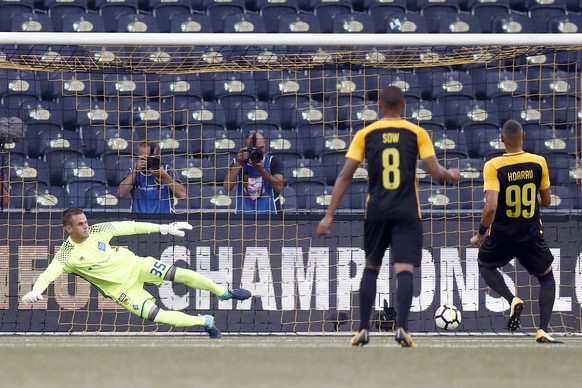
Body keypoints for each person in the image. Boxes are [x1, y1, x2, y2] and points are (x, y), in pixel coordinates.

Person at [317, 86, 460, 347]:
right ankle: (403, 329)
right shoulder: (417, 133)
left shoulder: (365, 134)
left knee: (371, 266)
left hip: (377, 210)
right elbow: (435, 172)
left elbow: (345, 175)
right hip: (407, 210)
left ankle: (362, 330)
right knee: (403, 270)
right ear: (403, 105)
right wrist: (451, 174)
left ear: (379, 106)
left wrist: (329, 215)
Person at [21, 207, 251, 338]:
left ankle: (224, 293)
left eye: (86, 222)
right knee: (157, 316)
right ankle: (206, 321)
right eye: (80, 224)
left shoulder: (99, 230)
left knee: (179, 274)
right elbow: (49, 273)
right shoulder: (67, 254)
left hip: (135, 265)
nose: (86, 226)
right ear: (68, 228)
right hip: (122, 290)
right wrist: (36, 290)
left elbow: (130, 226)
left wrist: (163, 228)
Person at [470, 120, 562, 344]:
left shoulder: (493, 166)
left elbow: (490, 206)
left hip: (502, 234)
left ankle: (512, 299)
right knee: (547, 277)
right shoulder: (538, 162)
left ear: (502, 139)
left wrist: (480, 234)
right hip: (530, 234)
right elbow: (547, 201)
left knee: (485, 264)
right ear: (524, 136)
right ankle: (542, 330)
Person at [223, 131, 284, 214]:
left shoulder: (273, 161)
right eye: (253, 149)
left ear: (265, 145)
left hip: (270, 215)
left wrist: (262, 170)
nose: (258, 152)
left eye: (261, 148)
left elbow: (279, 187)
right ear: (246, 148)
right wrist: (239, 163)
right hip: (243, 217)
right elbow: (227, 187)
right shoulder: (237, 163)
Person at [118, 141, 186, 213]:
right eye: (142, 158)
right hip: (138, 220)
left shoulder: (167, 170)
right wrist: (135, 171)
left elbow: (182, 195)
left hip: (164, 219)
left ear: (157, 156)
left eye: (148, 158)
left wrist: (165, 176)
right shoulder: (133, 171)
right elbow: (121, 194)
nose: (146, 161)